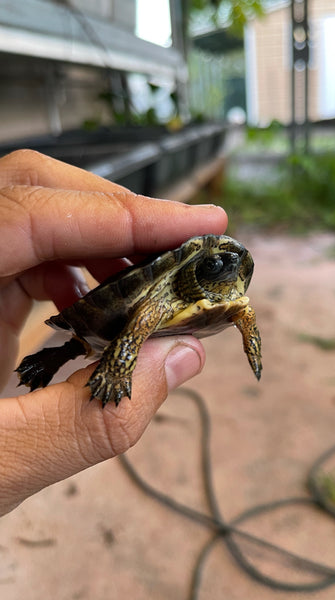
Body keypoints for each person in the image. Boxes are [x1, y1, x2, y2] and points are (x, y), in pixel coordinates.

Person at [0, 149, 228, 517]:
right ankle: (66, 352)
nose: (225, 268)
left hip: (163, 311)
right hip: (128, 307)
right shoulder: (170, 286)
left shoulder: (221, 295)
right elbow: (143, 318)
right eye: (216, 263)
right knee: (110, 332)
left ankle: (66, 352)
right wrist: (117, 368)